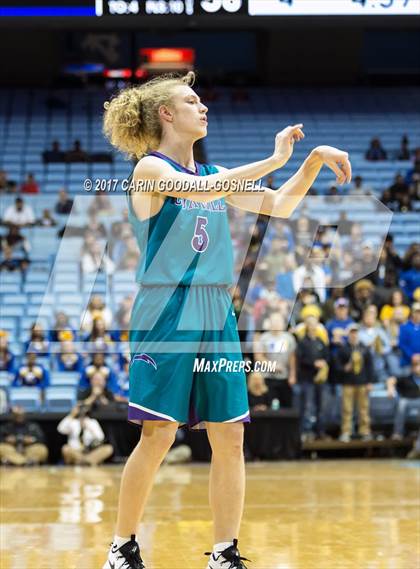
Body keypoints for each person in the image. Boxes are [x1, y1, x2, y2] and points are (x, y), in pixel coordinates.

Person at [101, 71, 351, 569]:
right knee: (158, 433)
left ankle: (223, 551)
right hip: (167, 310)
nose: (204, 107)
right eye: (192, 101)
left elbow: (278, 205)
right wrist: (276, 158)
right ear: (166, 114)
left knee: (230, 433)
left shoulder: (211, 173)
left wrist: (312, 162)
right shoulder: (150, 168)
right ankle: (123, 547)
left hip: (215, 311)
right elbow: (203, 190)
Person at [334, 324, 375, 442]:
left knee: (364, 408)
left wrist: (370, 382)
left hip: (362, 382)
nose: (354, 335)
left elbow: (370, 366)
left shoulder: (364, 348)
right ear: (348, 335)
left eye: (355, 332)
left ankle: (365, 431)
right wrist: (344, 368)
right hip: (347, 382)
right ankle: (346, 431)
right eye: (351, 332)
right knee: (347, 408)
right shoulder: (343, 349)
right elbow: (337, 365)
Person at [296, 316, 329, 441]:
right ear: (306, 326)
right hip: (307, 379)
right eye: (310, 324)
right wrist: (313, 363)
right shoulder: (302, 342)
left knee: (321, 406)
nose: (313, 326)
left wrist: (323, 362)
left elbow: (327, 356)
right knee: (308, 406)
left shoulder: (321, 341)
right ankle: (306, 431)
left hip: (320, 380)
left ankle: (320, 431)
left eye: (315, 324)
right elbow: (301, 359)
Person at [253, 312, 296, 407]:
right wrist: (273, 366)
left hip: (284, 377)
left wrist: (292, 375)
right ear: (269, 323)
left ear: (283, 323)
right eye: (274, 321)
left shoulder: (289, 338)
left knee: (286, 406)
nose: (276, 323)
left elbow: (292, 358)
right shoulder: (264, 338)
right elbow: (258, 357)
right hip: (267, 377)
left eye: (278, 321)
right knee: (269, 405)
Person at [387, 354, 420, 441]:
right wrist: (390, 389)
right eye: (415, 365)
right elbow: (391, 380)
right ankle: (398, 433)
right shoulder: (407, 377)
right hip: (408, 400)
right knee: (402, 404)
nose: (417, 367)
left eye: (419, 364)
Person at [398, 302, 420, 369]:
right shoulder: (404, 327)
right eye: (417, 312)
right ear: (412, 313)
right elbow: (402, 344)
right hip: (408, 361)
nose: (418, 314)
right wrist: (412, 355)